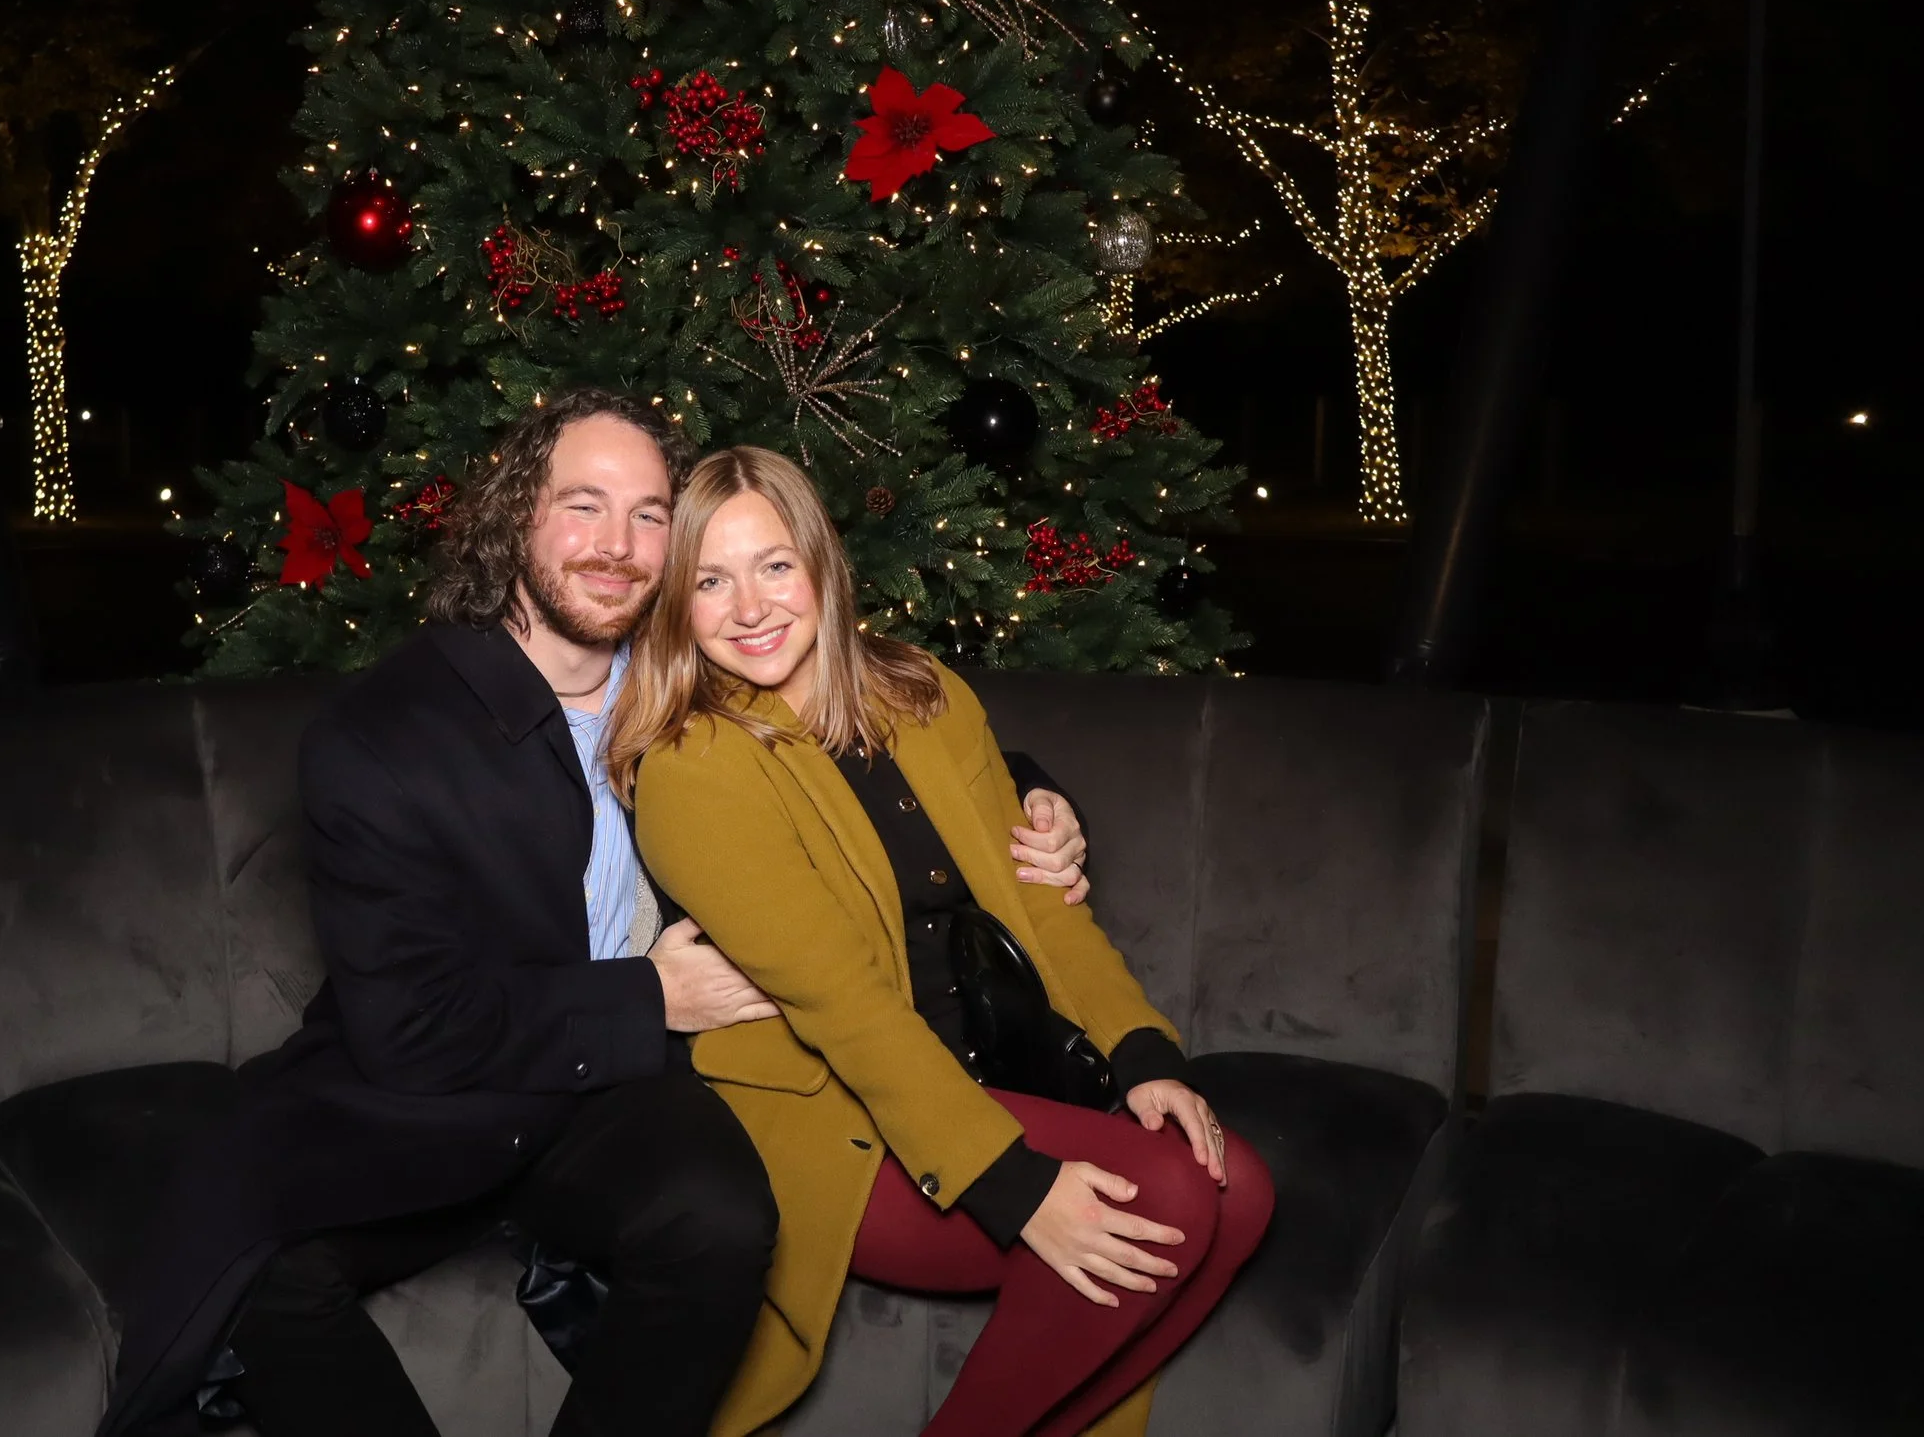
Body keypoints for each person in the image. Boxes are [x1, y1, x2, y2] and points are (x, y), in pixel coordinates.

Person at [101, 393, 1102, 1437]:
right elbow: (407, 1027)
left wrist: (1035, 794)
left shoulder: (687, 684)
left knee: (718, 1216)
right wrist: (649, 993)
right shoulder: (379, 734)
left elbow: (865, 734)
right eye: (584, 506)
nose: (618, 547)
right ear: (513, 517)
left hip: (613, 1096)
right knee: (255, 1270)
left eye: (650, 514)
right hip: (432, 1087)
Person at [610, 446, 1275, 1437]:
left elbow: (1040, 905)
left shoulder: (923, 696)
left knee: (1239, 1186)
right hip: (829, 1118)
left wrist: (1141, 1052)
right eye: (710, 579)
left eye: (774, 564)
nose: (749, 604)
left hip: (982, 1071)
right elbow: (846, 1005)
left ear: (822, 566)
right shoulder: (690, 766)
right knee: (1175, 1194)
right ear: (676, 603)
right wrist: (1010, 1182)